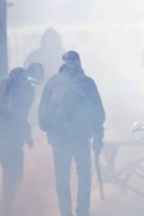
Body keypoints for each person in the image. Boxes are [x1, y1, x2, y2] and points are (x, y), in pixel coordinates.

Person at [38, 51, 105, 216]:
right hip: (65, 138)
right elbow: (43, 114)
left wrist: (98, 135)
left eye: (74, 61)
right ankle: (71, 213)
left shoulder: (84, 83)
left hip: (75, 137)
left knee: (77, 179)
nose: (71, 64)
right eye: (69, 61)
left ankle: (79, 212)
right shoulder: (77, 83)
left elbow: (97, 113)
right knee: (68, 180)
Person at [0, 64, 44, 216]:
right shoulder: (12, 87)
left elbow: (21, 116)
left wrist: (26, 134)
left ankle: (6, 207)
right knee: (14, 175)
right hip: (8, 139)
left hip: (13, 139)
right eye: (33, 81)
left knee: (15, 175)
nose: (33, 86)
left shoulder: (21, 88)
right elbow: (15, 114)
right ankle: (6, 208)